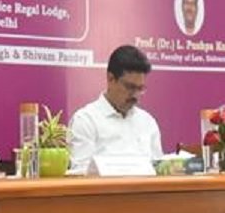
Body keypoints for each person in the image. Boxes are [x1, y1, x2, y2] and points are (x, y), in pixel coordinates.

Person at [69, 45, 163, 173]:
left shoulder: (147, 122)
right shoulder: (86, 120)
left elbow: (159, 170)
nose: (135, 95)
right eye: (130, 87)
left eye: (140, 88)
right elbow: (79, 174)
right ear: (110, 79)